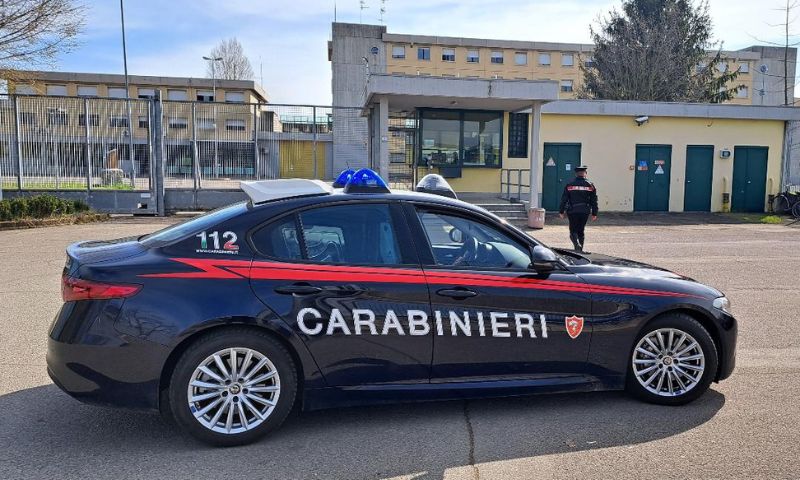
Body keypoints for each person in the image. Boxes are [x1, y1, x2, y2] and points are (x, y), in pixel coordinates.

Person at [558, 165, 598, 252]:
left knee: (573, 230)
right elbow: (594, 201)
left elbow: (564, 199)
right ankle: (580, 249)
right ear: (585, 174)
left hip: (572, 211)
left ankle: (577, 245)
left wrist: (561, 211)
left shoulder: (569, 184)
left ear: (576, 174)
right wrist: (594, 213)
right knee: (581, 230)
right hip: (585, 211)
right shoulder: (590, 185)